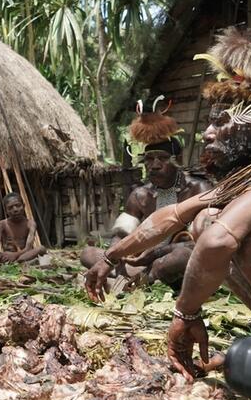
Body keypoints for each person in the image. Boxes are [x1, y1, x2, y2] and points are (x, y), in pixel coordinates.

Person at [84, 27, 251, 379]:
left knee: (245, 234)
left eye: (219, 121)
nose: (207, 133)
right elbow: (171, 217)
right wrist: (110, 259)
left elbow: (220, 242)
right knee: (207, 219)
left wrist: (184, 314)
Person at [80, 99, 211, 289]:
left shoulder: (198, 190)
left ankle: (141, 280)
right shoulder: (141, 195)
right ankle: (138, 278)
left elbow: (205, 242)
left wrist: (156, 253)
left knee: (180, 257)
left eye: (163, 158)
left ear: (177, 160)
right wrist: (115, 254)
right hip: (141, 261)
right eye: (149, 159)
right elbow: (121, 235)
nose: (155, 165)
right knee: (88, 253)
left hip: (178, 262)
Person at [0, 193, 46, 264]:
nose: (15, 209)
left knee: (41, 249)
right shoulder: (2, 224)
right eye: (10, 208)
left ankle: (18, 262)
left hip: (23, 255)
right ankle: (20, 262)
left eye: (18, 206)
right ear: (6, 211)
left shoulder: (30, 223)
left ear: (24, 206)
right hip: (6, 256)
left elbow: (28, 248)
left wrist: (14, 255)